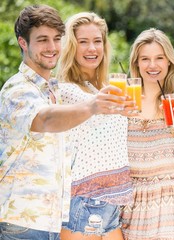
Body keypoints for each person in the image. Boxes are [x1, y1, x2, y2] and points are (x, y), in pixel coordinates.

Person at [0, 5, 126, 240]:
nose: (51, 47)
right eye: (42, 40)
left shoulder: (52, 90)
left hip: (51, 221)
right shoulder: (17, 89)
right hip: (22, 222)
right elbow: (45, 119)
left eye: (56, 39)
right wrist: (93, 106)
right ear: (23, 43)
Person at [56, 12, 136, 240]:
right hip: (84, 201)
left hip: (113, 202)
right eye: (83, 42)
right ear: (71, 46)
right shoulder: (66, 91)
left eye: (97, 41)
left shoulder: (106, 88)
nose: (92, 48)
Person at [120, 28, 174, 240]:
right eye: (145, 58)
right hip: (131, 204)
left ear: (169, 63)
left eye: (159, 58)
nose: (152, 65)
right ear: (136, 62)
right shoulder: (125, 100)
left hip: (172, 209)